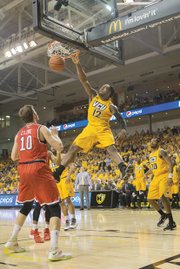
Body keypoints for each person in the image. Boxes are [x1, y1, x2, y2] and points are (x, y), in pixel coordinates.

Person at [5, 105, 71, 261]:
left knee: (26, 205)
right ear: (35, 114)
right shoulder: (41, 129)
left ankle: (12, 240)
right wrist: (55, 134)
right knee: (54, 207)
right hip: (38, 168)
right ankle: (54, 251)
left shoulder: (18, 133)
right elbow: (59, 146)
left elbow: (14, 157)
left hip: (23, 169)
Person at [53, 53, 128, 182]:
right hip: (90, 128)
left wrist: (123, 130)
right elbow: (84, 80)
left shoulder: (111, 106)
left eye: (105, 88)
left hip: (103, 129)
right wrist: (77, 63)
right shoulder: (93, 95)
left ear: (109, 94)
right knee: (73, 148)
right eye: (102, 86)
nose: (102, 88)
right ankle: (58, 172)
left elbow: (121, 119)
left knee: (111, 148)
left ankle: (123, 167)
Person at [147, 138, 176, 231]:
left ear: (158, 143)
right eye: (151, 141)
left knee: (163, 197)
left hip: (164, 176)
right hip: (155, 177)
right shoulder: (150, 154)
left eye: (154, 141)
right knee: (150, 199)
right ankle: (163, 215)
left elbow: (170, 163)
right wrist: (145, 174)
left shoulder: (161, 151)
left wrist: (170, 177)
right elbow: (153, 168)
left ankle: (171, 222)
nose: (151, 142)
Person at [57, 162, 78, 231]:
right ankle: (67, 220)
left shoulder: (63, 156)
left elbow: (72, 165)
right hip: (56, 182)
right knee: (61, 202)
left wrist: (69, 176)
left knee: (68, 200)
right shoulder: (50, 157)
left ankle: (73, 219)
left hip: (64, 179)